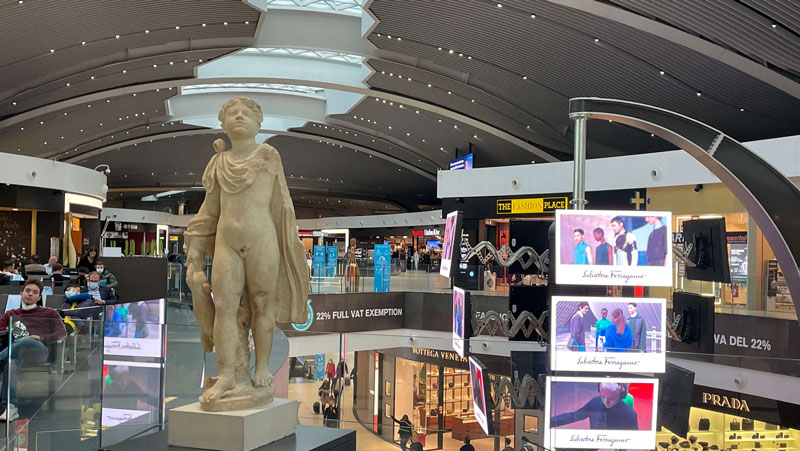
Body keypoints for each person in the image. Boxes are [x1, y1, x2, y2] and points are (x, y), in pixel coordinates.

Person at [183, 97, 309, 405]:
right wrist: (195, 246)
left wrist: (290, 247)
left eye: (246, 113)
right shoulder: (218, 162)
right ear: (223, 124)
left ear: (258, 123)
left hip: (262, 242)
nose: (239, 117)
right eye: (232, 113)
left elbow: (282, 205)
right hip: (227, 243)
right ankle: (227, 374)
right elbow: (210, 209)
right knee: (225, 306)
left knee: (263, 303)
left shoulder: (268, 156)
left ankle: (262, 368)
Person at [0, 279, 67, 421]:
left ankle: (1, 356)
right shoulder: (11, 314)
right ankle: (11, 407)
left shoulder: (49, 313)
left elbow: (61, 333)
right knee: (10, 364)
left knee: (27, 340)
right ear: (21, 293)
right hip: (17, 353)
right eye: (28, 291)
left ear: (39, 297)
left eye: (35, 292)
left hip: (39, 352)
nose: (30, 294)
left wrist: (41, 337)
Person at [551, 382, 638, 430]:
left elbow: (634, 439)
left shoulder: (630, 414)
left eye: (611, 399)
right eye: (603, 397)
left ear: (621, 396)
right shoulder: (595, 402)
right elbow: (574, 416)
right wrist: (549, 422)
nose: (606, 403)